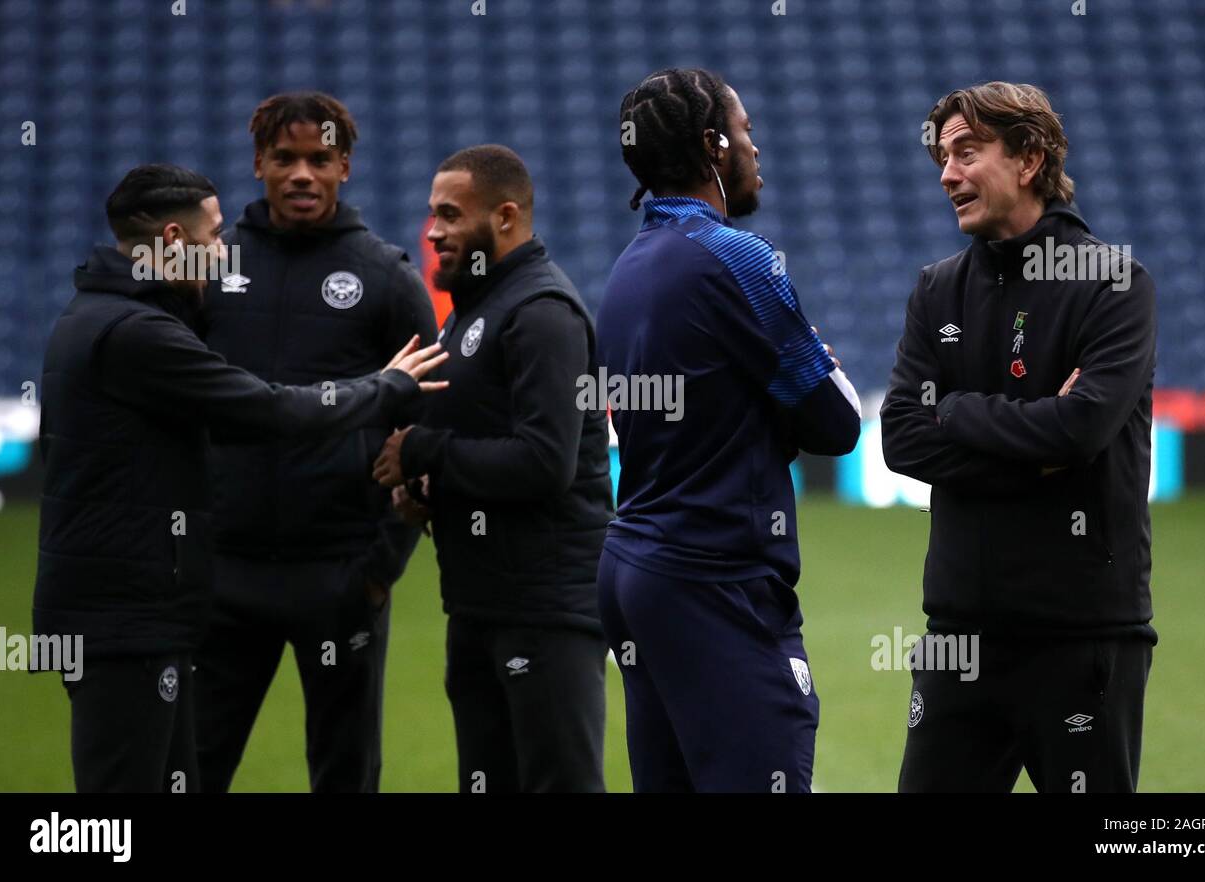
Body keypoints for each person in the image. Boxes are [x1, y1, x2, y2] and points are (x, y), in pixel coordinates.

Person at [32, 164, 446, 793]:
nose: (224, 252)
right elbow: (269, 410)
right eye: (215, 235)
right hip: (124, 615)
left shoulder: (98, 314)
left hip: (134, 607)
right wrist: (387, 387)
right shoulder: (139, 334)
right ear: (173, 240)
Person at [880, 82, 1157, 793]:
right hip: (959, 636)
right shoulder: (936, 289)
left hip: (1084, 637)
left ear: (1030, 158)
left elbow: (1083, 426)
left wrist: (960, 414)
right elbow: (902, 437)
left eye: (967, 153)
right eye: (943, 157)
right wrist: (1036, 451)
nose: (947, 174)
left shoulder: (1113, 283)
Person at [595, 68, 861, 793]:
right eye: (745, 132)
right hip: (712, 576)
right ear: (714, 147)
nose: (755, 149)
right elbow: (838, 422)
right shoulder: (737, 257)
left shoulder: (626, 270)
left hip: (634, 568)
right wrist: (802, 384)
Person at [194, 91, 437, 793]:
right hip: (225, 572)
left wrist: (380, 563)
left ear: (345, 168)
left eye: (319, 159)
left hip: (338, 571)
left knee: (345, 772)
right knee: (191, 765)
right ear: (259, 165)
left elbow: (427, 420)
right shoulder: (209, 270)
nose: (302, 173)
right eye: (285, 158)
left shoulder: (386, 276)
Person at [372, 145, 613, 793]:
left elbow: (543, 462)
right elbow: (484, 441)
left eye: (449, 215)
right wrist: (432, 490)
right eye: (431, 215)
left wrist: (422, 454)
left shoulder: (541, 314)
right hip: (481, 604)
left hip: (545, 611)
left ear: (505, 218)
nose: (432, 232)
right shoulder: (476, 312)